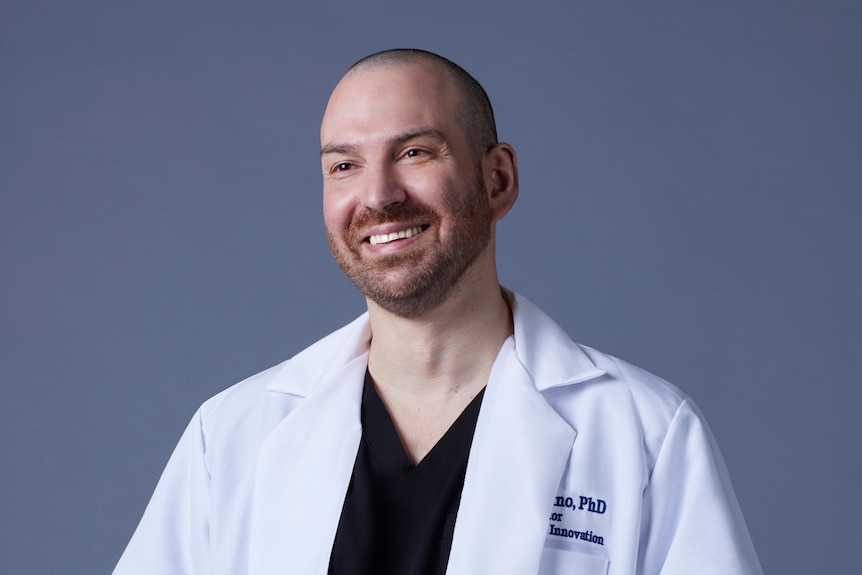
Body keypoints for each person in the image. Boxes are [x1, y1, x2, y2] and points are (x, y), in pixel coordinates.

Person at [114, 49, 763, 575]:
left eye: (415, 152)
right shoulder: (232, 436)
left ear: (498, 179)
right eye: (344, 164)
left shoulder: (644, 434)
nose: (378, 196)